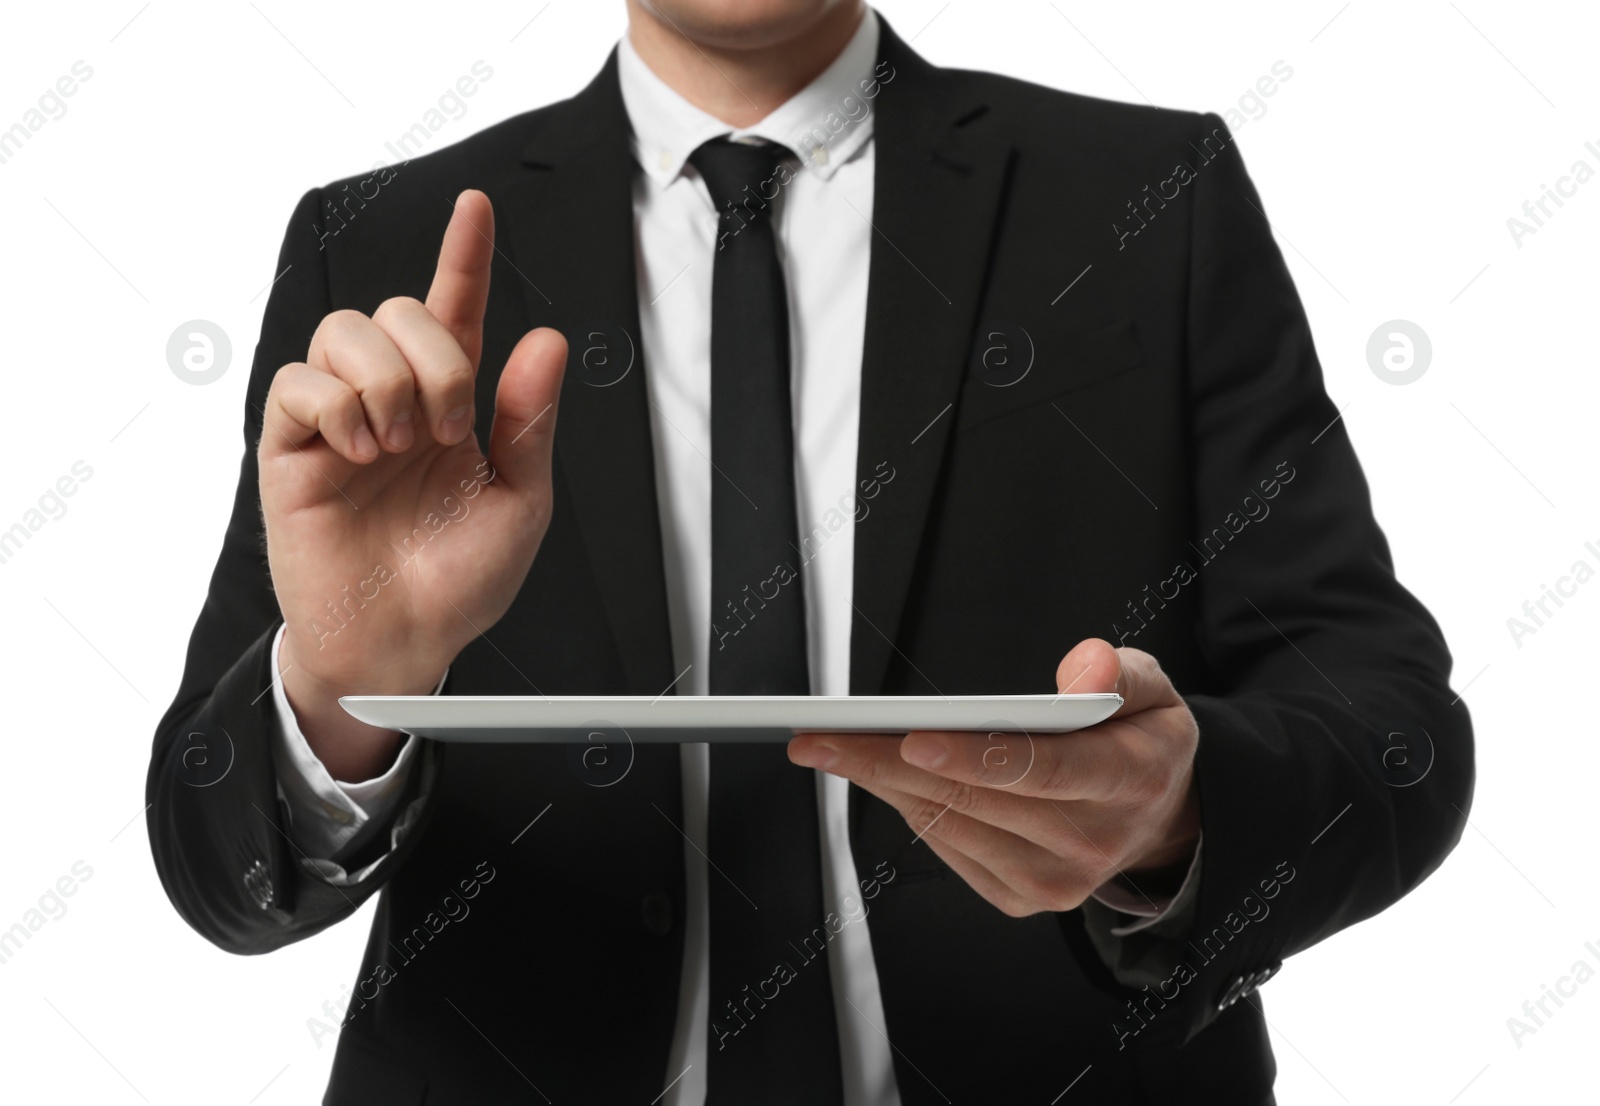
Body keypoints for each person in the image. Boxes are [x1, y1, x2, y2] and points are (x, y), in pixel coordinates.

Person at [146, 2, 1474, 1102]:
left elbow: (1395, 729)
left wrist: (1175, 816)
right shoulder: (377, 248)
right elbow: (216, 866)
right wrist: (338, 690)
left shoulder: (1149, 200)